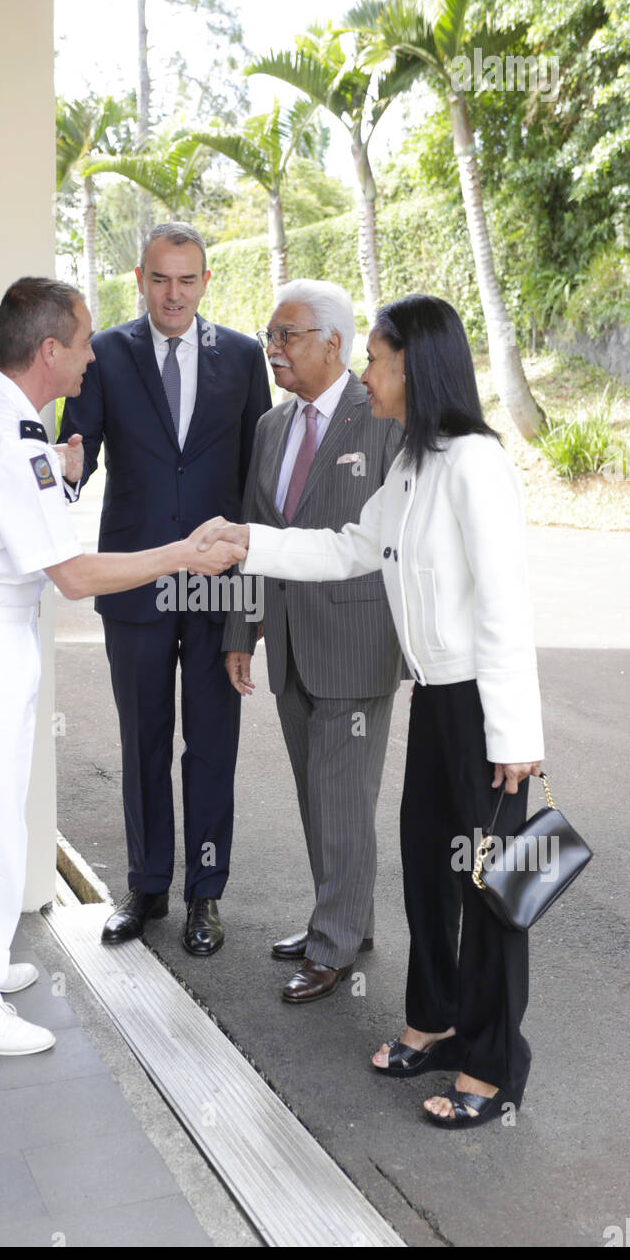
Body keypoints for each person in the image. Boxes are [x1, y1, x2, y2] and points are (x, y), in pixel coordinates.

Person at [200, 294, 544, 1127]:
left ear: (415, 368)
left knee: (495, 890)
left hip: (479, 713)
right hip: (433, 697)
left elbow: (505, 605)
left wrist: (516, 736)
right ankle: (435, 1021)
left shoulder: (474, 462)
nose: (367, 373)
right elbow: (349, 547)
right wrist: (252, 541)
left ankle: (495, 1068)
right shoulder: (414, 464)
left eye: (378, 361)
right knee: (428, 870)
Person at [0, 277, 244, 1057]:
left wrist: (54, 469)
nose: (93, 357)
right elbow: (75, 575)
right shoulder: (10, 434)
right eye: (84, 343)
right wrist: (184, 553)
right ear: (49, 350)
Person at [59, 222, 271, 956]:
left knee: (211, 744)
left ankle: (205, 897)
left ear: (205, 282)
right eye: (159, 279)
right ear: (139, 279)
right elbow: (74, 456)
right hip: (137, 580)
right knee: (143, 738)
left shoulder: (243, 358)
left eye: (186, 279)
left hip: (217, 587)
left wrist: (253, 603)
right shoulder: (107, 355)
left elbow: (257, 484)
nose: (172, 293)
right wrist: (44, 470)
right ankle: (147, 887)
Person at [222, 280, 403, 1003]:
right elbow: (251, 532)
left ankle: (334, 945)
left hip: (358, 640)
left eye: (287, 335)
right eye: (270, 335)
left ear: (334, 341)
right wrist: (241, 629)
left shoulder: (384, 418)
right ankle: (343, 918)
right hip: (290, 642)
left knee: (343, 794)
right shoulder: (271, 427)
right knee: (315, 791)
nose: (273, 348)